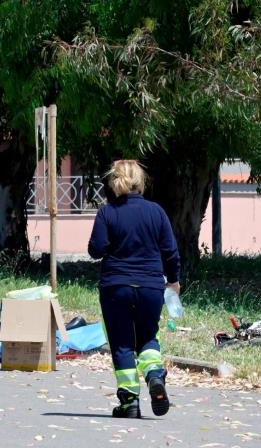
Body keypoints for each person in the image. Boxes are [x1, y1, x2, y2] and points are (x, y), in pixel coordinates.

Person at [87, 160, 180, 419]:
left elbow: (96, 249)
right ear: (141, 181)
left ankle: (129, 402)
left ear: (114, 182)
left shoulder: (107, 212)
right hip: (151, 286)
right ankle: (154, 375)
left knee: (122, 343)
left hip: (116, 286)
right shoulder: (156, 212)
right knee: (148, 336)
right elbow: (170, 251)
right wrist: (173, 281)